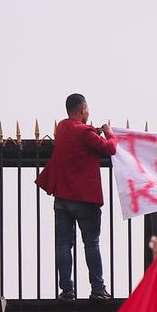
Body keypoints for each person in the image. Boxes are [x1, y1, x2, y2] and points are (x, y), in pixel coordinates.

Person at [34, 93, 117, 301]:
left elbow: (77, 141)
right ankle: (98, 289)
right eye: (87, 109)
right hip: (85, 200)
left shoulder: (62, 128)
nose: (88, 113)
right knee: (91, 243)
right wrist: (109, 133)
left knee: (63, 244)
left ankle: (67, 291)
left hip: (62, 198)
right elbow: (110, 149)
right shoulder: (86, 132)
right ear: (83, 109)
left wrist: (93, 132)